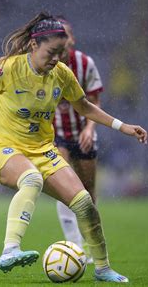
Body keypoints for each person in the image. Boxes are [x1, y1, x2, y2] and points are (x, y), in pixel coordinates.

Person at [0, 12, 148, 283]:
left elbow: (84, 106)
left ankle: (103, 269)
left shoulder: (61, 74)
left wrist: (122, 126)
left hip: (43, 150)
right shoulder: (8, 68)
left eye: (61, 52)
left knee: (85, 204)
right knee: (30, 179)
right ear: (34, 45)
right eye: (52, 52)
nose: (57, 58)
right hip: (1, 147)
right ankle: (10, 250)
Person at [52, 16, 103, 262]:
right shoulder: (43, 63)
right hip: (55, 135)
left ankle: (93, 243)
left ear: (72, 38)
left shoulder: (84, 64)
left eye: (66, 34)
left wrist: (90, 128)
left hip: (82, 132)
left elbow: (94, 101)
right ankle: (74, 244)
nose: (62, 39)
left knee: (88, 189)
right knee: (64, 187)